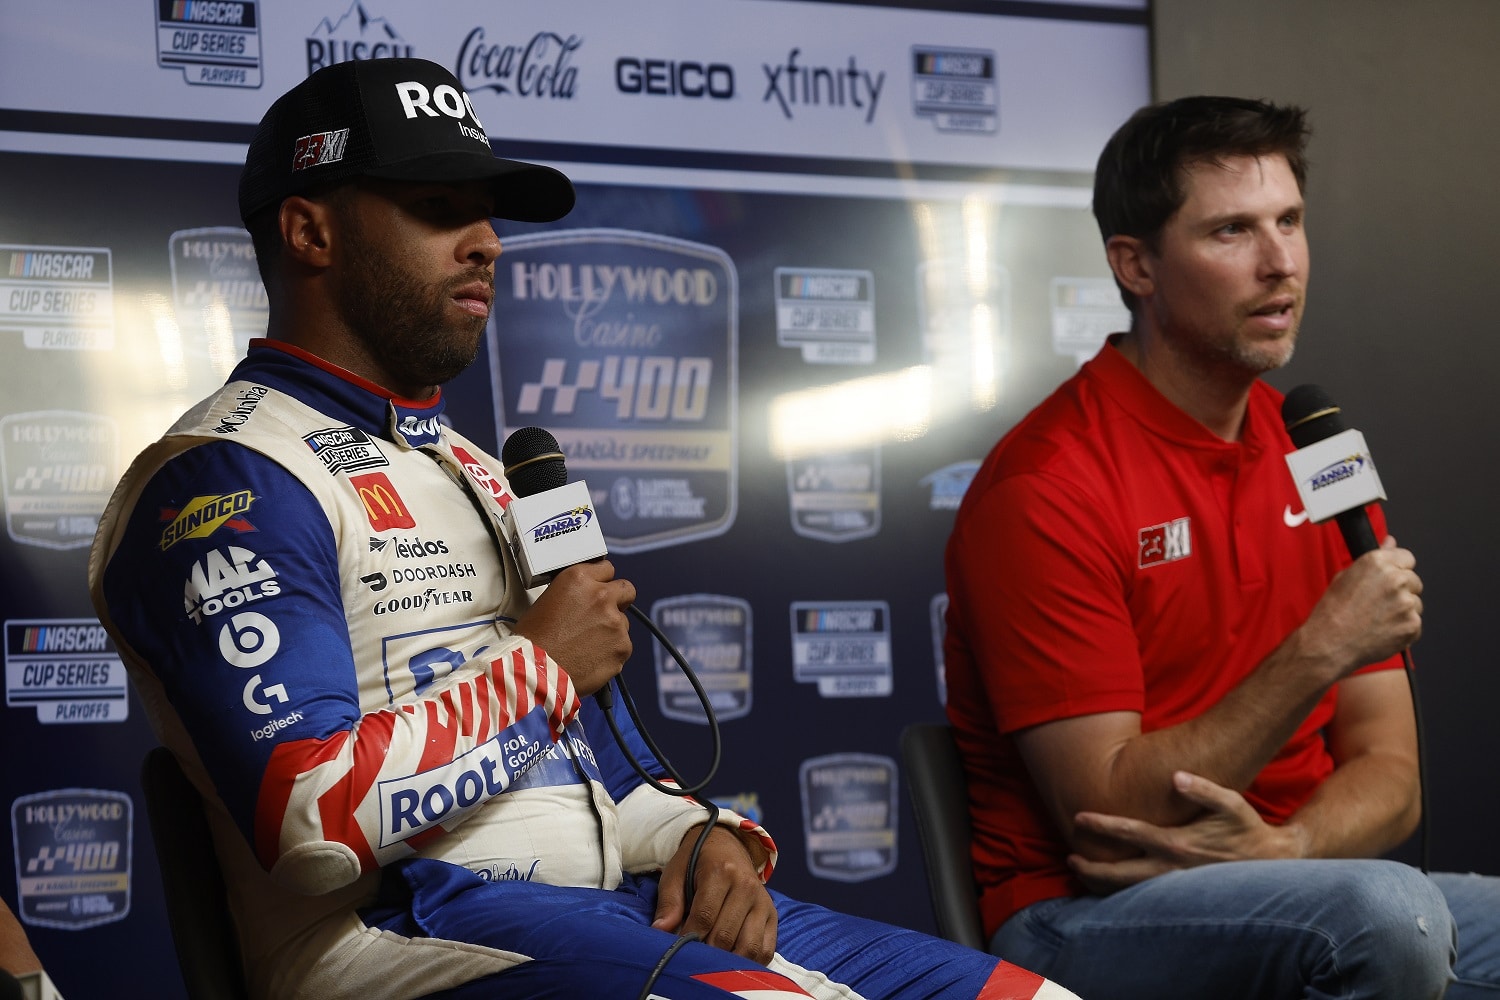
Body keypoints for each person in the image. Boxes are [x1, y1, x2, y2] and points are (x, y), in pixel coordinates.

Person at [88, 57, 1076, 1000]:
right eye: (437, 210)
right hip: (403, 928)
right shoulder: (226, 481)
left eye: (484, 213)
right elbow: (312, 821)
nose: (486, 242)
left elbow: (611, 772)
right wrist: (543, 667)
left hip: (620, 907)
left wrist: (701, 837)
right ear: (310, 233)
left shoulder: (478, 469)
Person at [943, 94, 1500, 999]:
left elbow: (1393, 770)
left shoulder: (1312, 448)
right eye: (1232, 232)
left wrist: (1294, 846)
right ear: (1137, 266)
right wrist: (1322, 645)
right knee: (1388, 917)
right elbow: (1109, 815)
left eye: (1290, 221)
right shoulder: (1049, 484)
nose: (1281, 264)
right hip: (1081, 916)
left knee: (1385, 910)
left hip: (1313, 882)